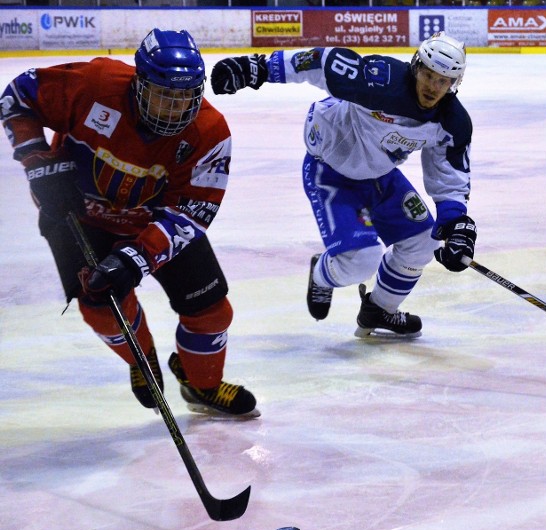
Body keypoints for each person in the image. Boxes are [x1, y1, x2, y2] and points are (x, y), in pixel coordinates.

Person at [0, 29, 259, 418]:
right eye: (163, 96)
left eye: (184, 98)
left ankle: (201, 385)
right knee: (101, 306)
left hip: (153, 223)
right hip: (78, 214)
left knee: (211, 312)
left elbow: (191, 212)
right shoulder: (95, 85)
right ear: (139, 83)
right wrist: (37, 161)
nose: (174, 110)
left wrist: (136, 258)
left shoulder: (209, 131)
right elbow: (17, 98)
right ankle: (142, 359)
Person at [210, 32, 475, 338]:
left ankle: (380, 310)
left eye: (443, 81)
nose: (433, 87)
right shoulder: (381, 80)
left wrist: (456, 225)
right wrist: (256, 68)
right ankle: (322, 275)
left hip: (380, 176)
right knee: (362, 261)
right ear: (416, 67)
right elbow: (320, 62)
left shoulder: (452, 123)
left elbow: (449, 176)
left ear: (455, 83)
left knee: (424, 240)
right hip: (332, 171)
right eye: (429, 75)